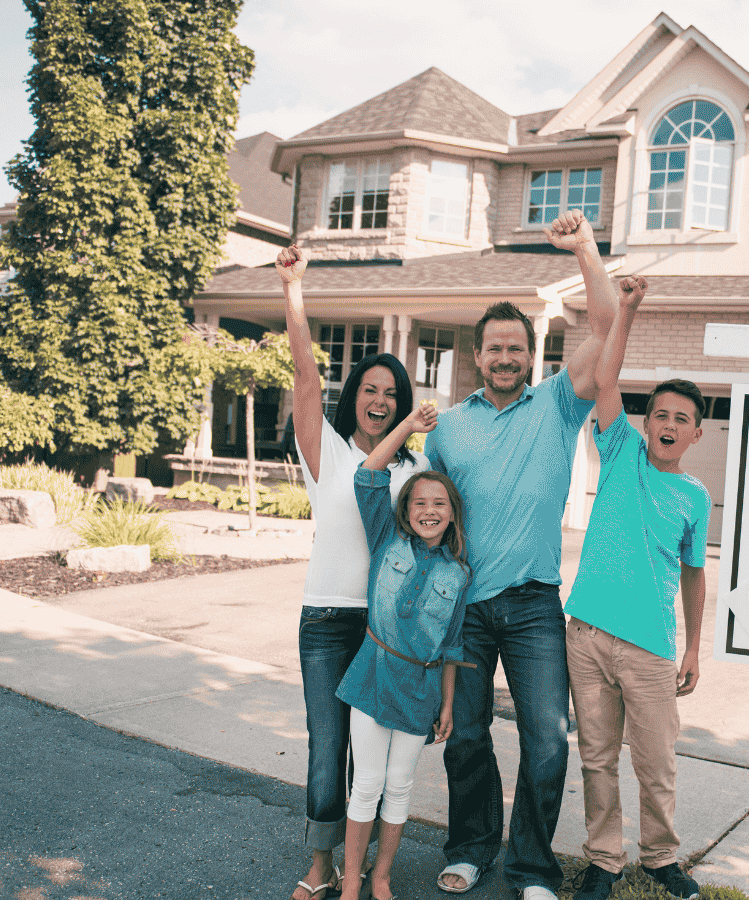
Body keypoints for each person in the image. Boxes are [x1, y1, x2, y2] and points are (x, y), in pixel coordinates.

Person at [423, 210, 627, 900]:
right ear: (477, 356)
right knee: (465, 737)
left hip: (536, 605)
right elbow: (428, 518)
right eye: (494, 349)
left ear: (530, 356)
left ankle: (533, 869)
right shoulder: (448, 429)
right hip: (465, 607)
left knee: (547, 740)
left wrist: (586, 249)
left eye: (516, 348)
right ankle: (471, 848)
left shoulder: (559, 405)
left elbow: (607, 327)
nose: (505, 358)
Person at [278, 245, 430, 900]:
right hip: (325, 620)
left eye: (391, 394)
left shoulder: (414, 469)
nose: (379, 400)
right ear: (355, 397)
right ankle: (322, 863)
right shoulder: (328, 453)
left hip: (386, 631)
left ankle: (365, 862)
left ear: (402, 406)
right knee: (327, 746)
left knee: (374, 760)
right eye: (370, 389)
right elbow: (305, 378)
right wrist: (294, 290)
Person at [563, 309, 711, 900]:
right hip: (588, 635)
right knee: (596, 758)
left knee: (656, 763)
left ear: (696, 434)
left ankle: (660, 858)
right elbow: (606, 378)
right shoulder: (621, 450)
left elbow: (695, 575)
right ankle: (604, 861)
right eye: (662, 415)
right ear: (646, 424)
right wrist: (626, 310)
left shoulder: (695, 497)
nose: (670, 425)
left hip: (651, 647)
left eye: (682, 419)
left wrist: (694, 648)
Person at [335, 402, 472, 900]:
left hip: (421, 690)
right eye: (419, 503)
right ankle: (352, 880)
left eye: (439, 503)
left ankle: (382, 877)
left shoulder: (459, 573)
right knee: (367, 783)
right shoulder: (385, 538)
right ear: (405, 510)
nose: (429, 511)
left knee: (398, 786)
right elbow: (368, 477)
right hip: (372, 676)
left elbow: (452, 644)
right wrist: (408, 427)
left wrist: (448, 703)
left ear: (452, 513)